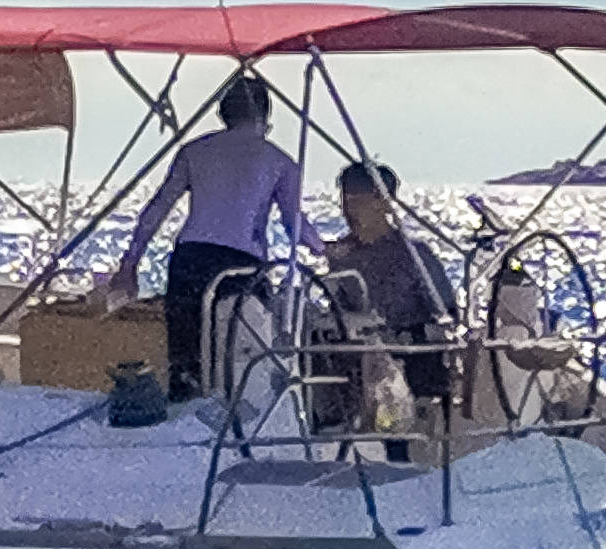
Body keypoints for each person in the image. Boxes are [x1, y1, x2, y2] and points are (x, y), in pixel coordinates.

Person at [109, 75, 313, 401]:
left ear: (223, 114)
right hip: (242, 265)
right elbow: (295, 225)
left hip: (191, 258)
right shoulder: (279, 161)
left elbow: (157, 209)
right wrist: (325, 250)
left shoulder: (194, 151)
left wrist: (130, 263)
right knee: (244, 355)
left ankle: (183, 412)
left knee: (186, 358)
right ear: (265, 116)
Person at [318, 161, 458, 418]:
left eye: (358, 201)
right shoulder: (342, 257)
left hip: (409, 361)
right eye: (346, 201)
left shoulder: (416, 255)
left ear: (383, 202)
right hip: (356, 361)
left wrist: (405, 336)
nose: (350, 210)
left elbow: (447, 316)